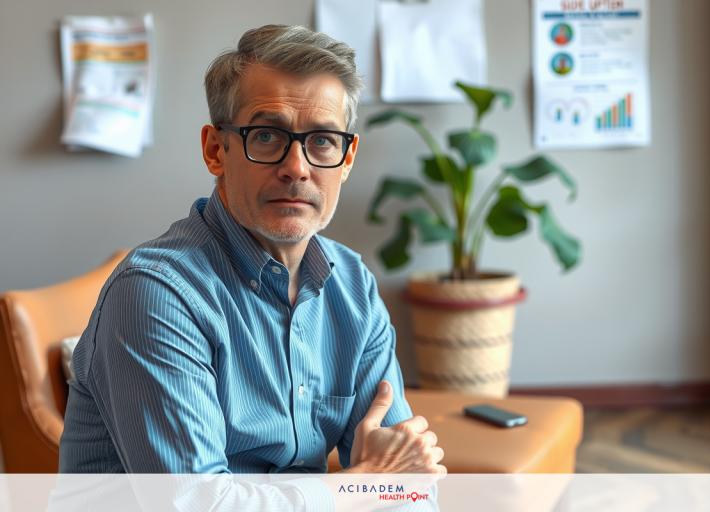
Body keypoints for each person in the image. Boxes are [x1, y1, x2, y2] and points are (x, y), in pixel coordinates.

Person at [59, 24, 446, 487]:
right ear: (215, 150)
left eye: (322, 140)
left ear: (346, 160)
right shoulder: (156, 294)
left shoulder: (352, 284)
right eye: (267, 136)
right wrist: (364, 485)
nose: (297, 168)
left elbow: (409, 481)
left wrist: (383, 483)